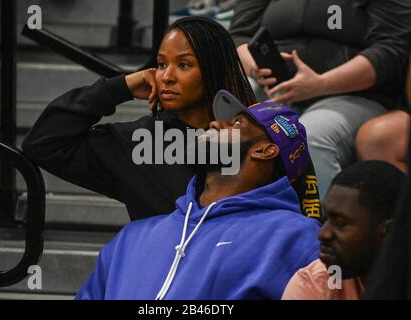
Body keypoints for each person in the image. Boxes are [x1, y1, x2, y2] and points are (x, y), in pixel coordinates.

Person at [22, 16, 322, 221]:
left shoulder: (262, 135)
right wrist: (118, 87)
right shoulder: (140, 142)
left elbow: (309, 219)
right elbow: (44, 144)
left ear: (214, 68)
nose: (166, 76)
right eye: (161, 64)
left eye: (184, 65)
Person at [75, 91, 321, 300]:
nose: (214, 123)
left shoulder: (298, 239)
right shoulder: (131, 238)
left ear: (264, 150)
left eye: (236, 124)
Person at [229, 0, 411, 197]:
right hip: (272, 86)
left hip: (351, 94)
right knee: (223, 112)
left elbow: (390, 50)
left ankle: (323, 225)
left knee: (311, 136)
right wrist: (256, 67)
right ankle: (212, 217)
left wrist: (320, 84)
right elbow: (238, 35)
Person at [281, 161, 406, 300]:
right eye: (326, 219)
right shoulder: (314, 284)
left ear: (388, 233)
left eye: (340, 223)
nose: (323, 234)